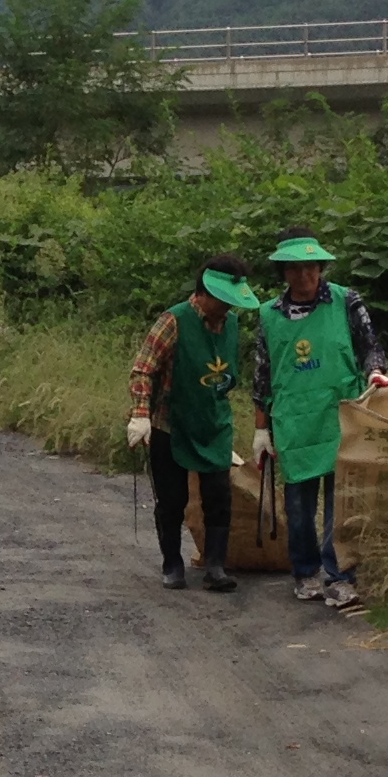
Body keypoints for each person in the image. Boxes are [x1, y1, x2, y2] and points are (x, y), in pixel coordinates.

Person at [250, 235, 388, 609]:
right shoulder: (269, 314)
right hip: (294, 420)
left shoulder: (346, 301)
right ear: (284, 272)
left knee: (341, 502)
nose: (304, 275)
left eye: (311, 267)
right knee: (298, 505)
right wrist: (260, 428)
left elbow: (370, 346)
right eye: (295, 269)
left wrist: (376, 373)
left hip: (339, 414)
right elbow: (262, 375)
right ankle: (305, 570)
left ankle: (341, 575)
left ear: (321, 268)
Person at [127, 254, 264, 592]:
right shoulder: (173, 321)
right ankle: (172, 563)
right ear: (205, 292)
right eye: (223, 300)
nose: (228, 309)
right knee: (172, 500)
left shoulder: (230, 324)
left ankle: (216, 565)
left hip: (213, 423)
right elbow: (143, 369)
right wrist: (141, 415)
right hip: (169, 424)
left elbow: (229, 375)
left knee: (219, 497)